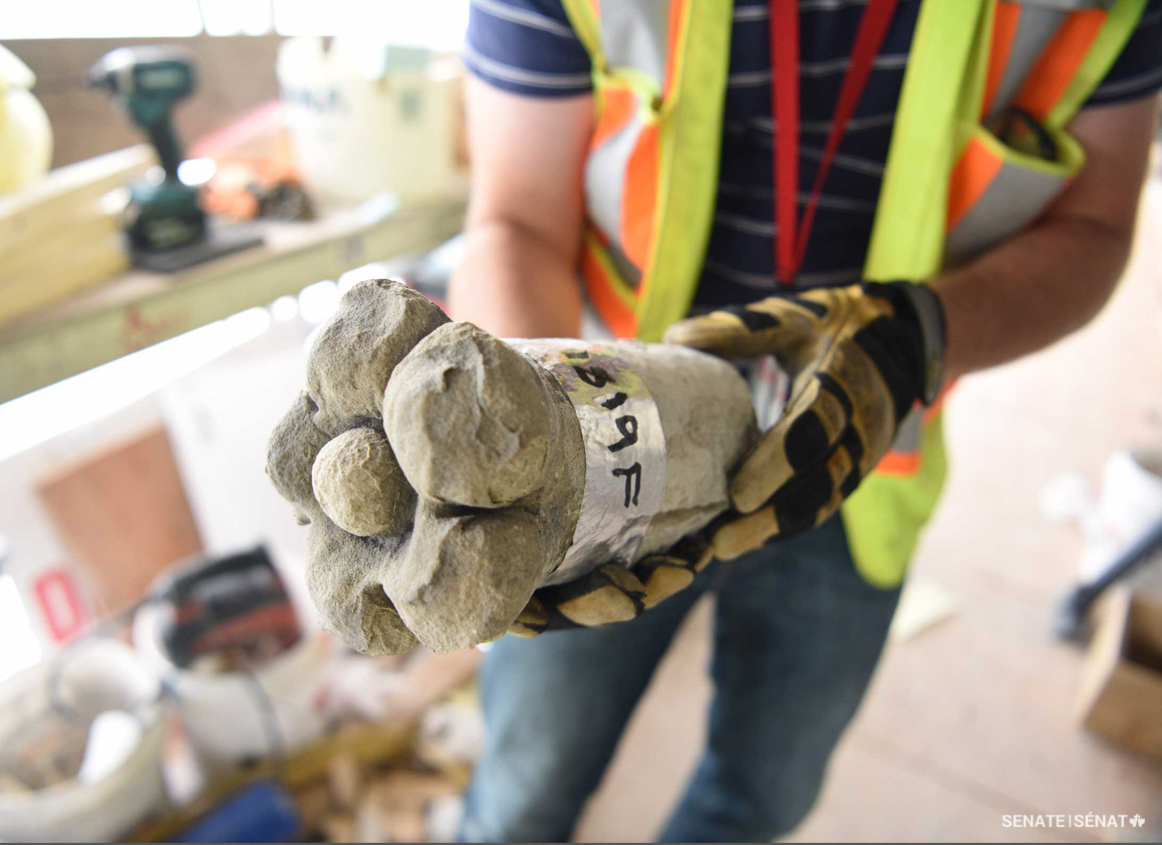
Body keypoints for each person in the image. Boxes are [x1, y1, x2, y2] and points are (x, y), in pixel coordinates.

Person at [447, 0, 1162, 840]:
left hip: (855, 465)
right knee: (527, 785)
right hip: (608, 455)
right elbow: (515, 218)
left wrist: (908, 343)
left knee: (760, 799)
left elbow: (1094, 224)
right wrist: (543, 444)